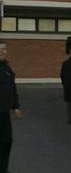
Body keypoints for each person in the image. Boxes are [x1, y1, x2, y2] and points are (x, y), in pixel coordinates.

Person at [0, 41, 22, 173]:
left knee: (7, 142)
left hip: (4, 113)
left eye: (4, 49)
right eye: (0, 49)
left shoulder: (6, 67)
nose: (2, 51)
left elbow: (12, 89)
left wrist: (16, 107)